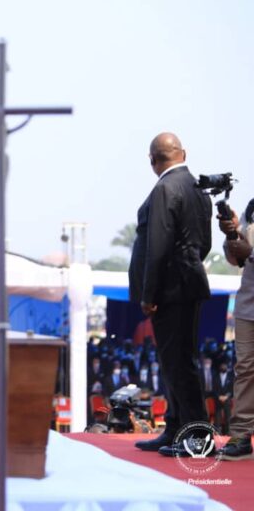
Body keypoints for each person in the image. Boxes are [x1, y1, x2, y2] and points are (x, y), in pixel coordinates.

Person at [129, 132, 212, 457]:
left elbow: (158, 245)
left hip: (169, 291)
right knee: (176, 361)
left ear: (153, 161)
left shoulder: (165, 188)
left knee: (179, 364)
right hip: (186, 284)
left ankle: (197, 437)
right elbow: (202, 243)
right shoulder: (197, 188)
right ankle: (176, 428)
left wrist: (149, 293)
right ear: (183, 152)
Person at [217, 201, 254, 459]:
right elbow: (236, 259)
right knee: (245, 369)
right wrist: (231, 235)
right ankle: (241, 434)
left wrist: (249, 251)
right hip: (248, 305)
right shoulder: (252, 208)